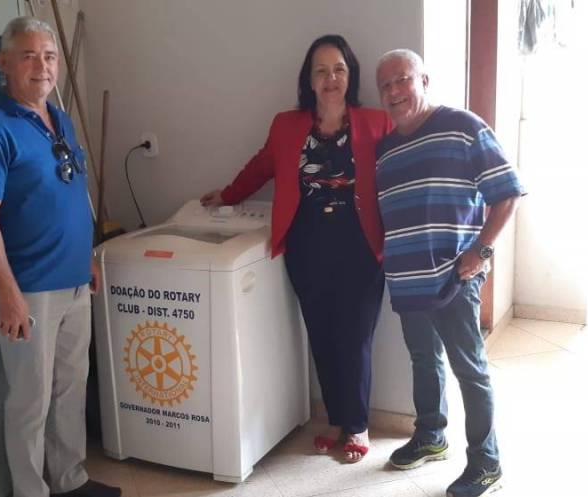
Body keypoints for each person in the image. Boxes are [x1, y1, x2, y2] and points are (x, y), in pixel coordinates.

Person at [200, 34, 392, 463]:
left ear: (351, 75)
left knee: (355, 335)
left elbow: (404, 165)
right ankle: (336, 420)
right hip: (307, 243)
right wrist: (228, 194)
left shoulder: (377, 123)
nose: (330, 78)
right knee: (321, 332)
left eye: (338, 69)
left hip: (361, 244)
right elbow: (262, 166)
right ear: (309, 79)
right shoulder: (287, 125)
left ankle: (357, 424)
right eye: (321, 71)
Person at [0, 16, 120, 497]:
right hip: (29, 289)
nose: (42, 66)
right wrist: (8, 294)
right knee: (31, 400)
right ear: (4, 63)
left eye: (49, 57)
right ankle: (31, 491)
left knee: (71, 386)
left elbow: (71, 193)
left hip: (74, 280)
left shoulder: (59, 118)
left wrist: (87, 255)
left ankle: (70, 480)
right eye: (29, 56)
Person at [374, 49, 525, 497]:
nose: (394, 91)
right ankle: (430, 435)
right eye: (385, 85)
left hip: (455, 276)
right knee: (424, 359)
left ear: (423, 80)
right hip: (408, 281)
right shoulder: (385, 150)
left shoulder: (463, 127)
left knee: (469, 370)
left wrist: (481, 250)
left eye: (402, 79)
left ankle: (486, 462)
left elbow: (507, 192)